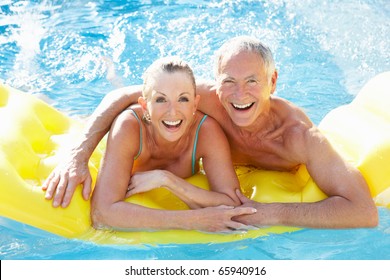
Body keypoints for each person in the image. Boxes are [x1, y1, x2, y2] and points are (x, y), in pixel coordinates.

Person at [43, 36, 378, 229]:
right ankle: (105, 67)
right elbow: (126, 97)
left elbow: (363, 212)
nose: (239, 93)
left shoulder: (300, 137)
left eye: (252, 81)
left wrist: (274, 212)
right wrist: (78, 154)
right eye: (229, 81)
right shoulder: (203, 99)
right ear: (216, 84)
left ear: (272, 81)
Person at [58, 57, 256, 232]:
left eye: (183, 99)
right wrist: (192, 220)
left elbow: (232, 202)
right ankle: (109, 73)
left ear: (195, 104)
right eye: (161, 99)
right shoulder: (128, 127)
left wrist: (166, 180)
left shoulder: (206, 131)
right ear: (145, 105)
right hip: (112, 132)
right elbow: (102, 214)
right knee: (79, 114)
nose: (173, 112)